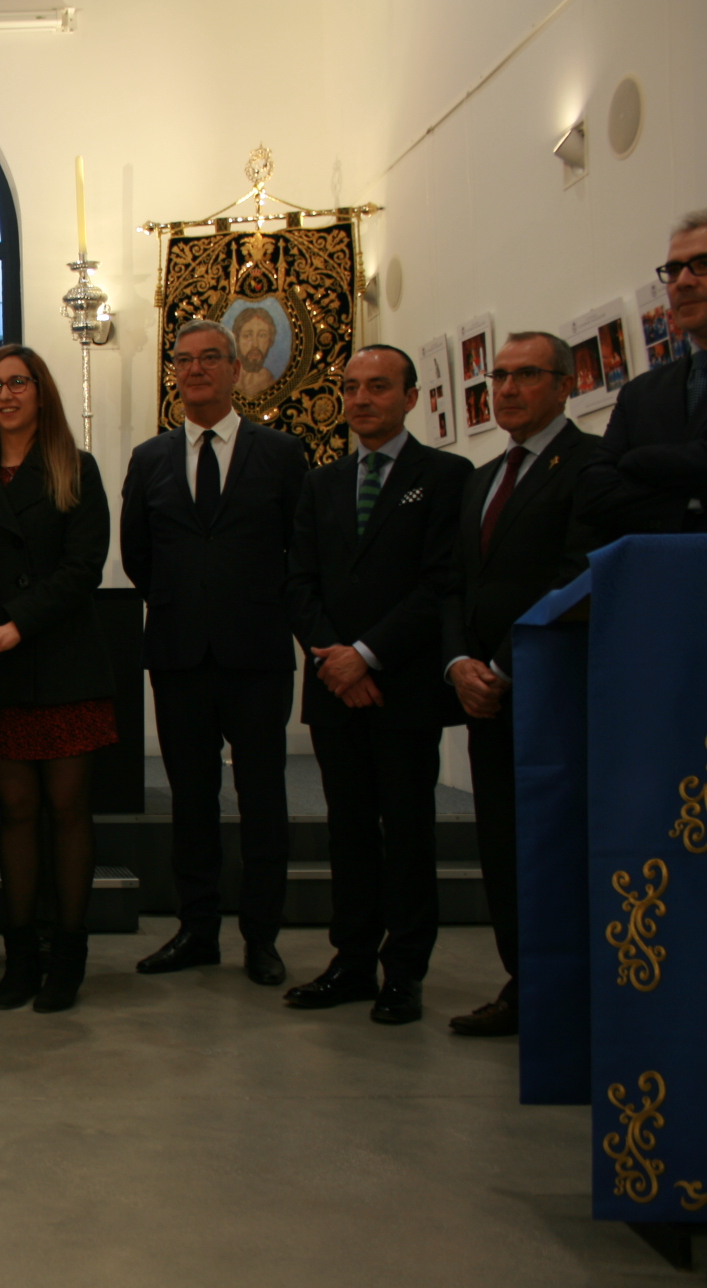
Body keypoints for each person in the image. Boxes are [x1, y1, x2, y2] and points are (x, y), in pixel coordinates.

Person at [282, 345, 474, 1025]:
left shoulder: (447, 477)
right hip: (336, 688)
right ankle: (352, 960)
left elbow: (440, 583)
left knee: (408, 833)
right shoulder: (322, 482)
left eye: (379, 387)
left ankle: (405, 971)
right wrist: (335, 659)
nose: (361, 399)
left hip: (404, 688)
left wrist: (367, 655)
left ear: (412, 397)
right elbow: (299, 581)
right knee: (349, 832)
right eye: (352, 388)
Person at [120, 318, 307, 986]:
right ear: (174, 372)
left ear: (235, 370)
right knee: (191, 802)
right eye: (184, 360)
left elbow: (299, 550)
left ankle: (262, 937)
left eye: (209, 359)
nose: (195, 370)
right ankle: (197, 930)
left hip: (256, 653)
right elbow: (139, 555)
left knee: (262, 799)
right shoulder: (151, 459)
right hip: (178, 655)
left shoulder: (281, 453)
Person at [0, 344, 116, 1012]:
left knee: (67, 812)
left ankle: (67, 955)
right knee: (15, 813)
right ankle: (20, 957)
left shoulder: (76, 467)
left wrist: (16, 623)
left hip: (62, 662)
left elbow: (83, 570)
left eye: (19, 382)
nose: (5, 394)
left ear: (42, 393)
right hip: (0, 673)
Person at [442, 331, 601, 1037]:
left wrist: (502, 666)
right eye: (499, 376)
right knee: (502, 847)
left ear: (565, 385)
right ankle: (521, 983)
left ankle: (565, 993)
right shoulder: (482, 477)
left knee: (555, 846)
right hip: (482, 695)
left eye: (527, 375)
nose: (506, 389)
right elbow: (455, 586)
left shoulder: (591, 467)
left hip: (552, 689)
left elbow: (574, 576)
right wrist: (458, 664)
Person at [577, 210, 707, 540]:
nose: (684, 282)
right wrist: (689, 500)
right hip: (659, 580)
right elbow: (594, 494)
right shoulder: (640, 393)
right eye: (674, 270)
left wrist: (637, 460)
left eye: (702, 265)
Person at [233, 307, 280, 398]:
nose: (255, 344)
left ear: (270, 341)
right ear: (237, 340)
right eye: (247, 336)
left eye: (262, 335)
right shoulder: (224, 379)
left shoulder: (269, 381)